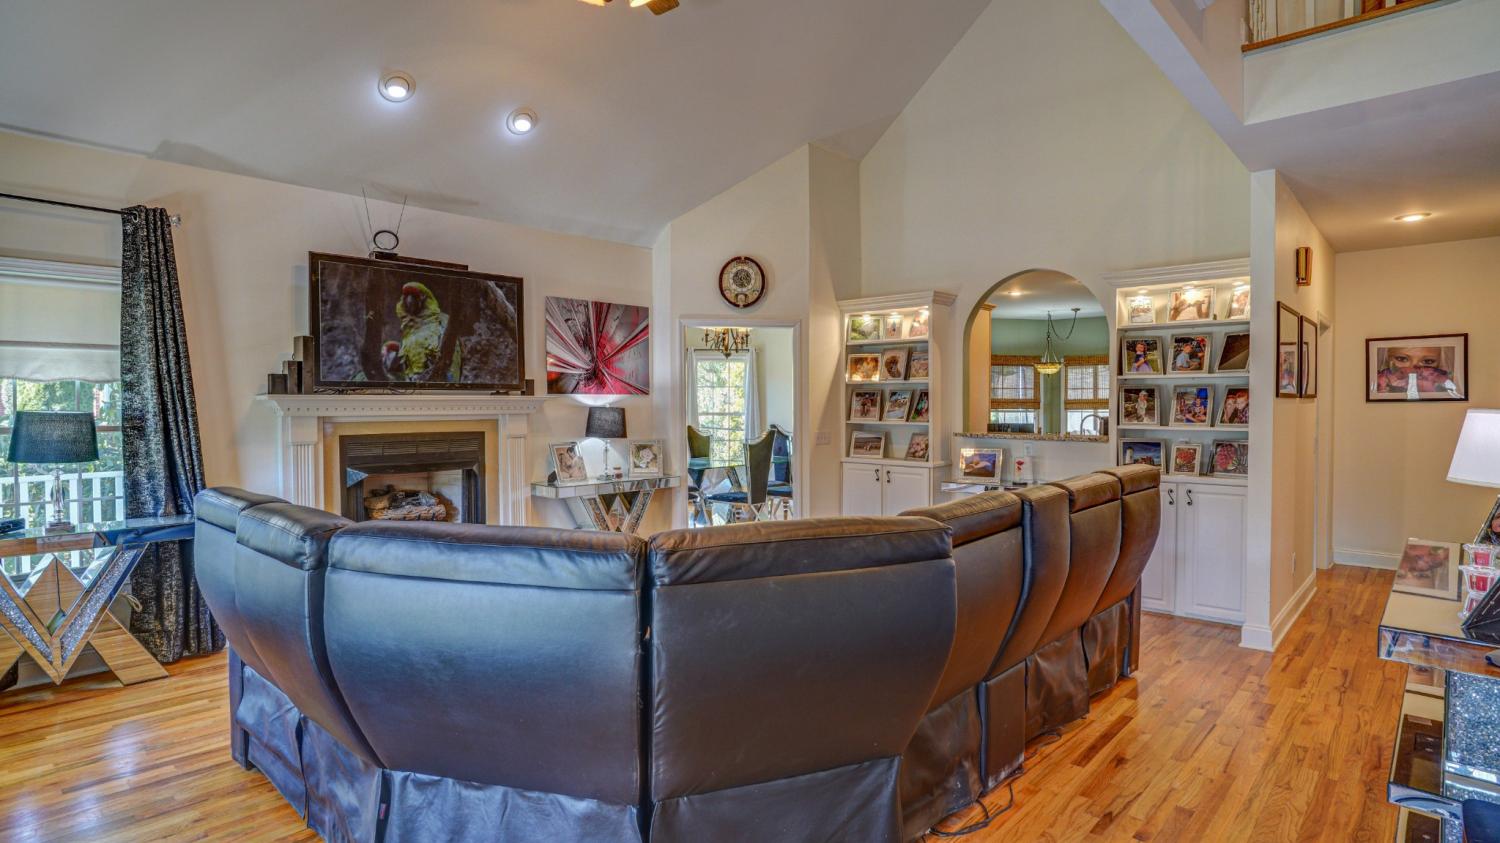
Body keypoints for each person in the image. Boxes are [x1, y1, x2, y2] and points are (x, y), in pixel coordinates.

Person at [1376, 346, 1456, 395]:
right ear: (1387, 359)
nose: (1413, 368)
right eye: (1402, 359)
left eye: (1428, 361)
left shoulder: (1435, 377)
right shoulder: (1384, 378)